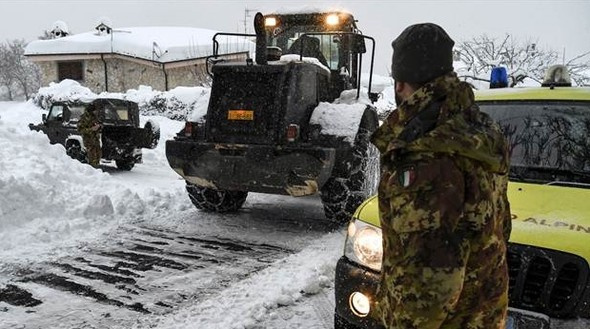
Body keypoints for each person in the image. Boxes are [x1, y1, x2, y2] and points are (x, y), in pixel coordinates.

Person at [370, 23, 512, 329]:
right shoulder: (478, 130)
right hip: (481, 315)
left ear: (400, 83)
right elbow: (500, 228)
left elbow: (431, 283)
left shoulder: (425, 153)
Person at [78, 103, 102, 168]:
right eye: (94, 110)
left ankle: (96, 167)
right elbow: (80, 129)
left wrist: (99, 127)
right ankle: (92, 169)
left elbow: (100, 124)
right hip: (89, 139)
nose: (96, 112)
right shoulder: (84, 118)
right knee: (92, 155)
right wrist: (91, 129)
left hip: (95, 139)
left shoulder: (95, 117)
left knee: (98, 154)